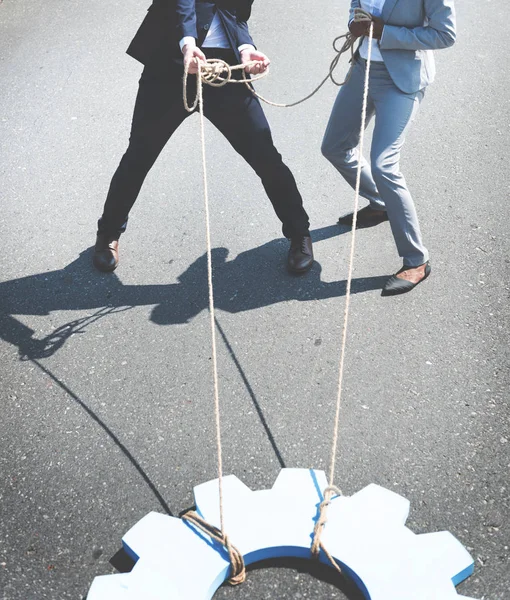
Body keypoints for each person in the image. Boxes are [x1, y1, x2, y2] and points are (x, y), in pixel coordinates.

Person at [93, 0, 313, 275]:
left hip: (224, 68)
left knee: (265, 155)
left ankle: (299, 234)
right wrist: (188, 43)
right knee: (139, 155)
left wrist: (246, 49)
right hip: (170, 66)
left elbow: (236, 14)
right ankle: (108, 234)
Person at [321, 0, 456, 295]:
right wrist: (354, 21)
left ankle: (416, 260)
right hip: (362, 70)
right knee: (334, 147)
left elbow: (445, 34)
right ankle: (381, 203)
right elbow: (358, 5)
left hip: (402, 79)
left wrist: (383, 32)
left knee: (384, 164)